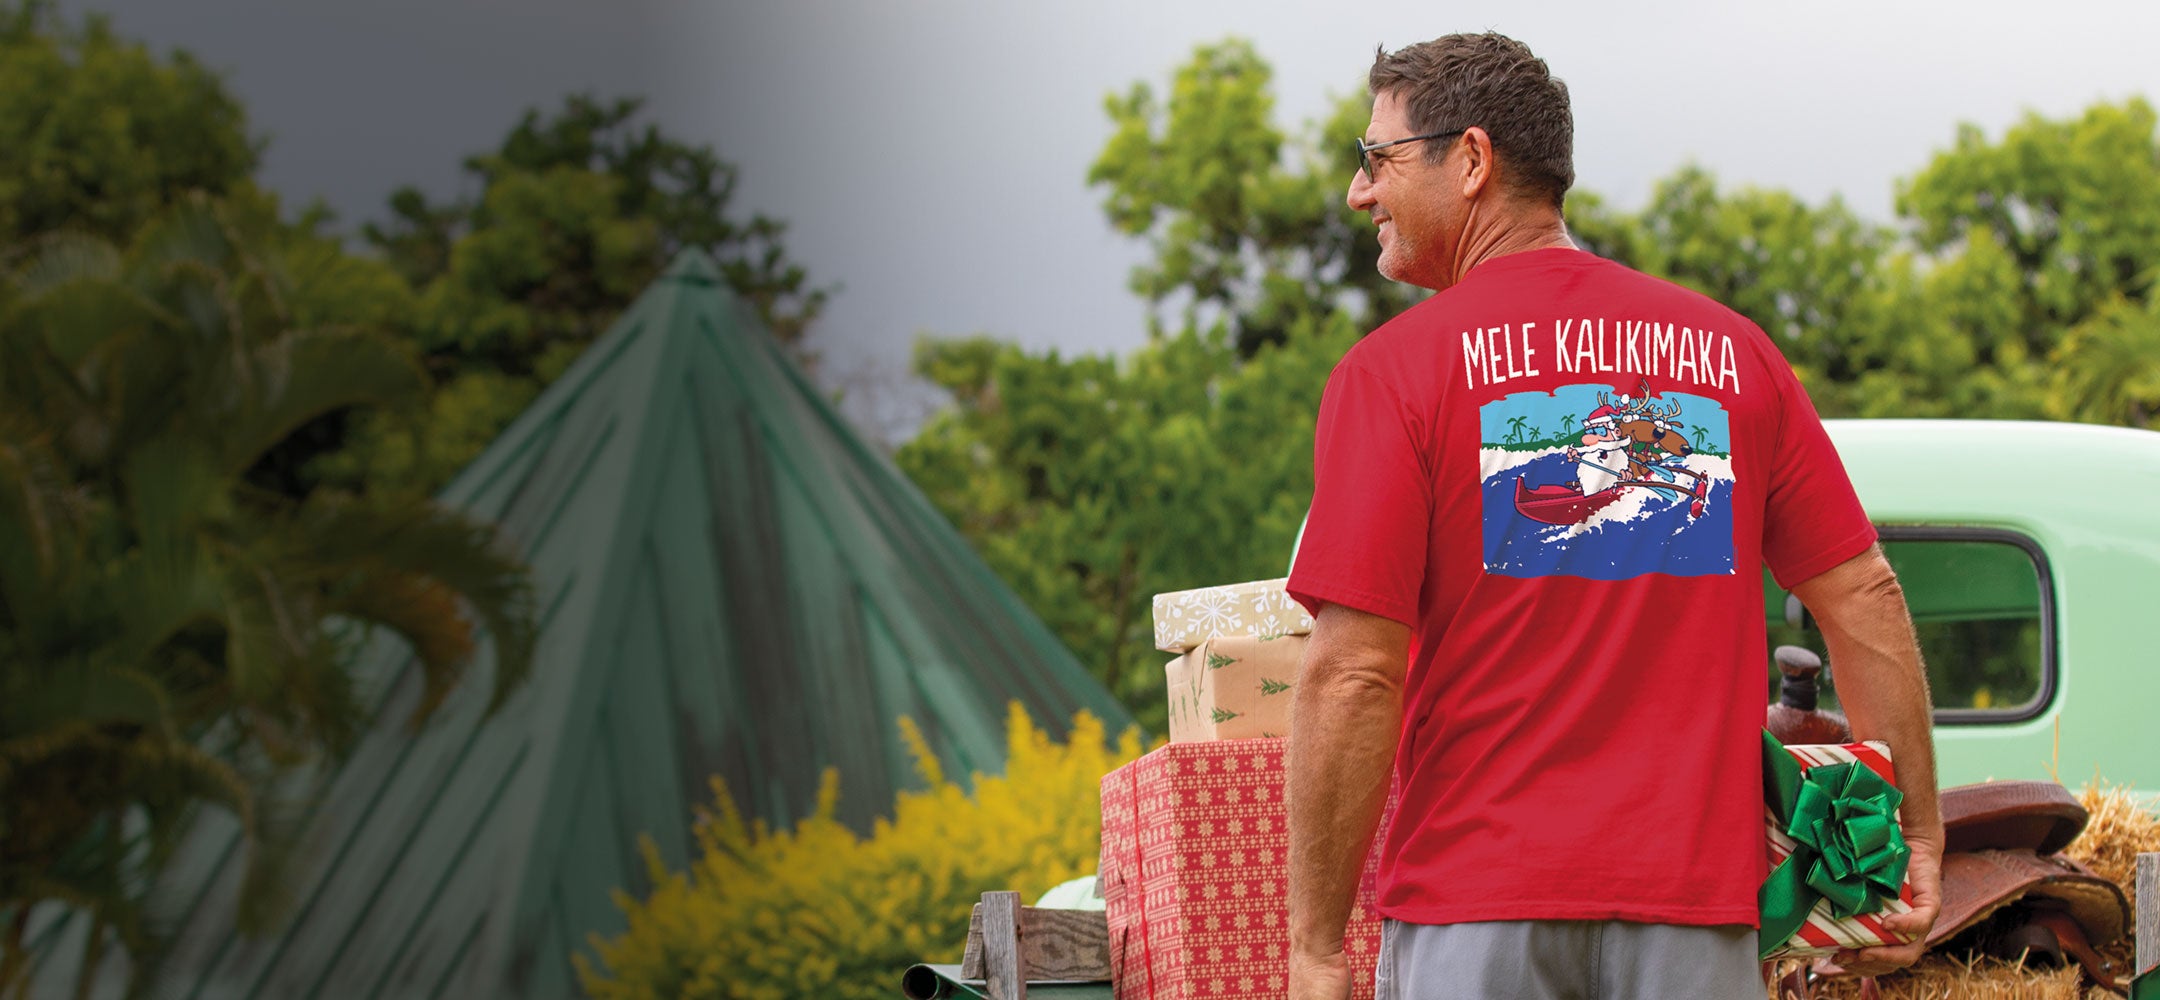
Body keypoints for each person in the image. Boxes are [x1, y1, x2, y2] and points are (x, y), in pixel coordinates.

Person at [1282, 33, 1943, 999]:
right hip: (1699, 923)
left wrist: (1316, 949)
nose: (1359, 191)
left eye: (1377, 158)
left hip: (1479, 909)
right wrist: (1912, 839)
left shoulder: (1394, 373)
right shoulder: (1736, 355)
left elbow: (1353, 676)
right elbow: (1863, 597)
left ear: (1471, 160)